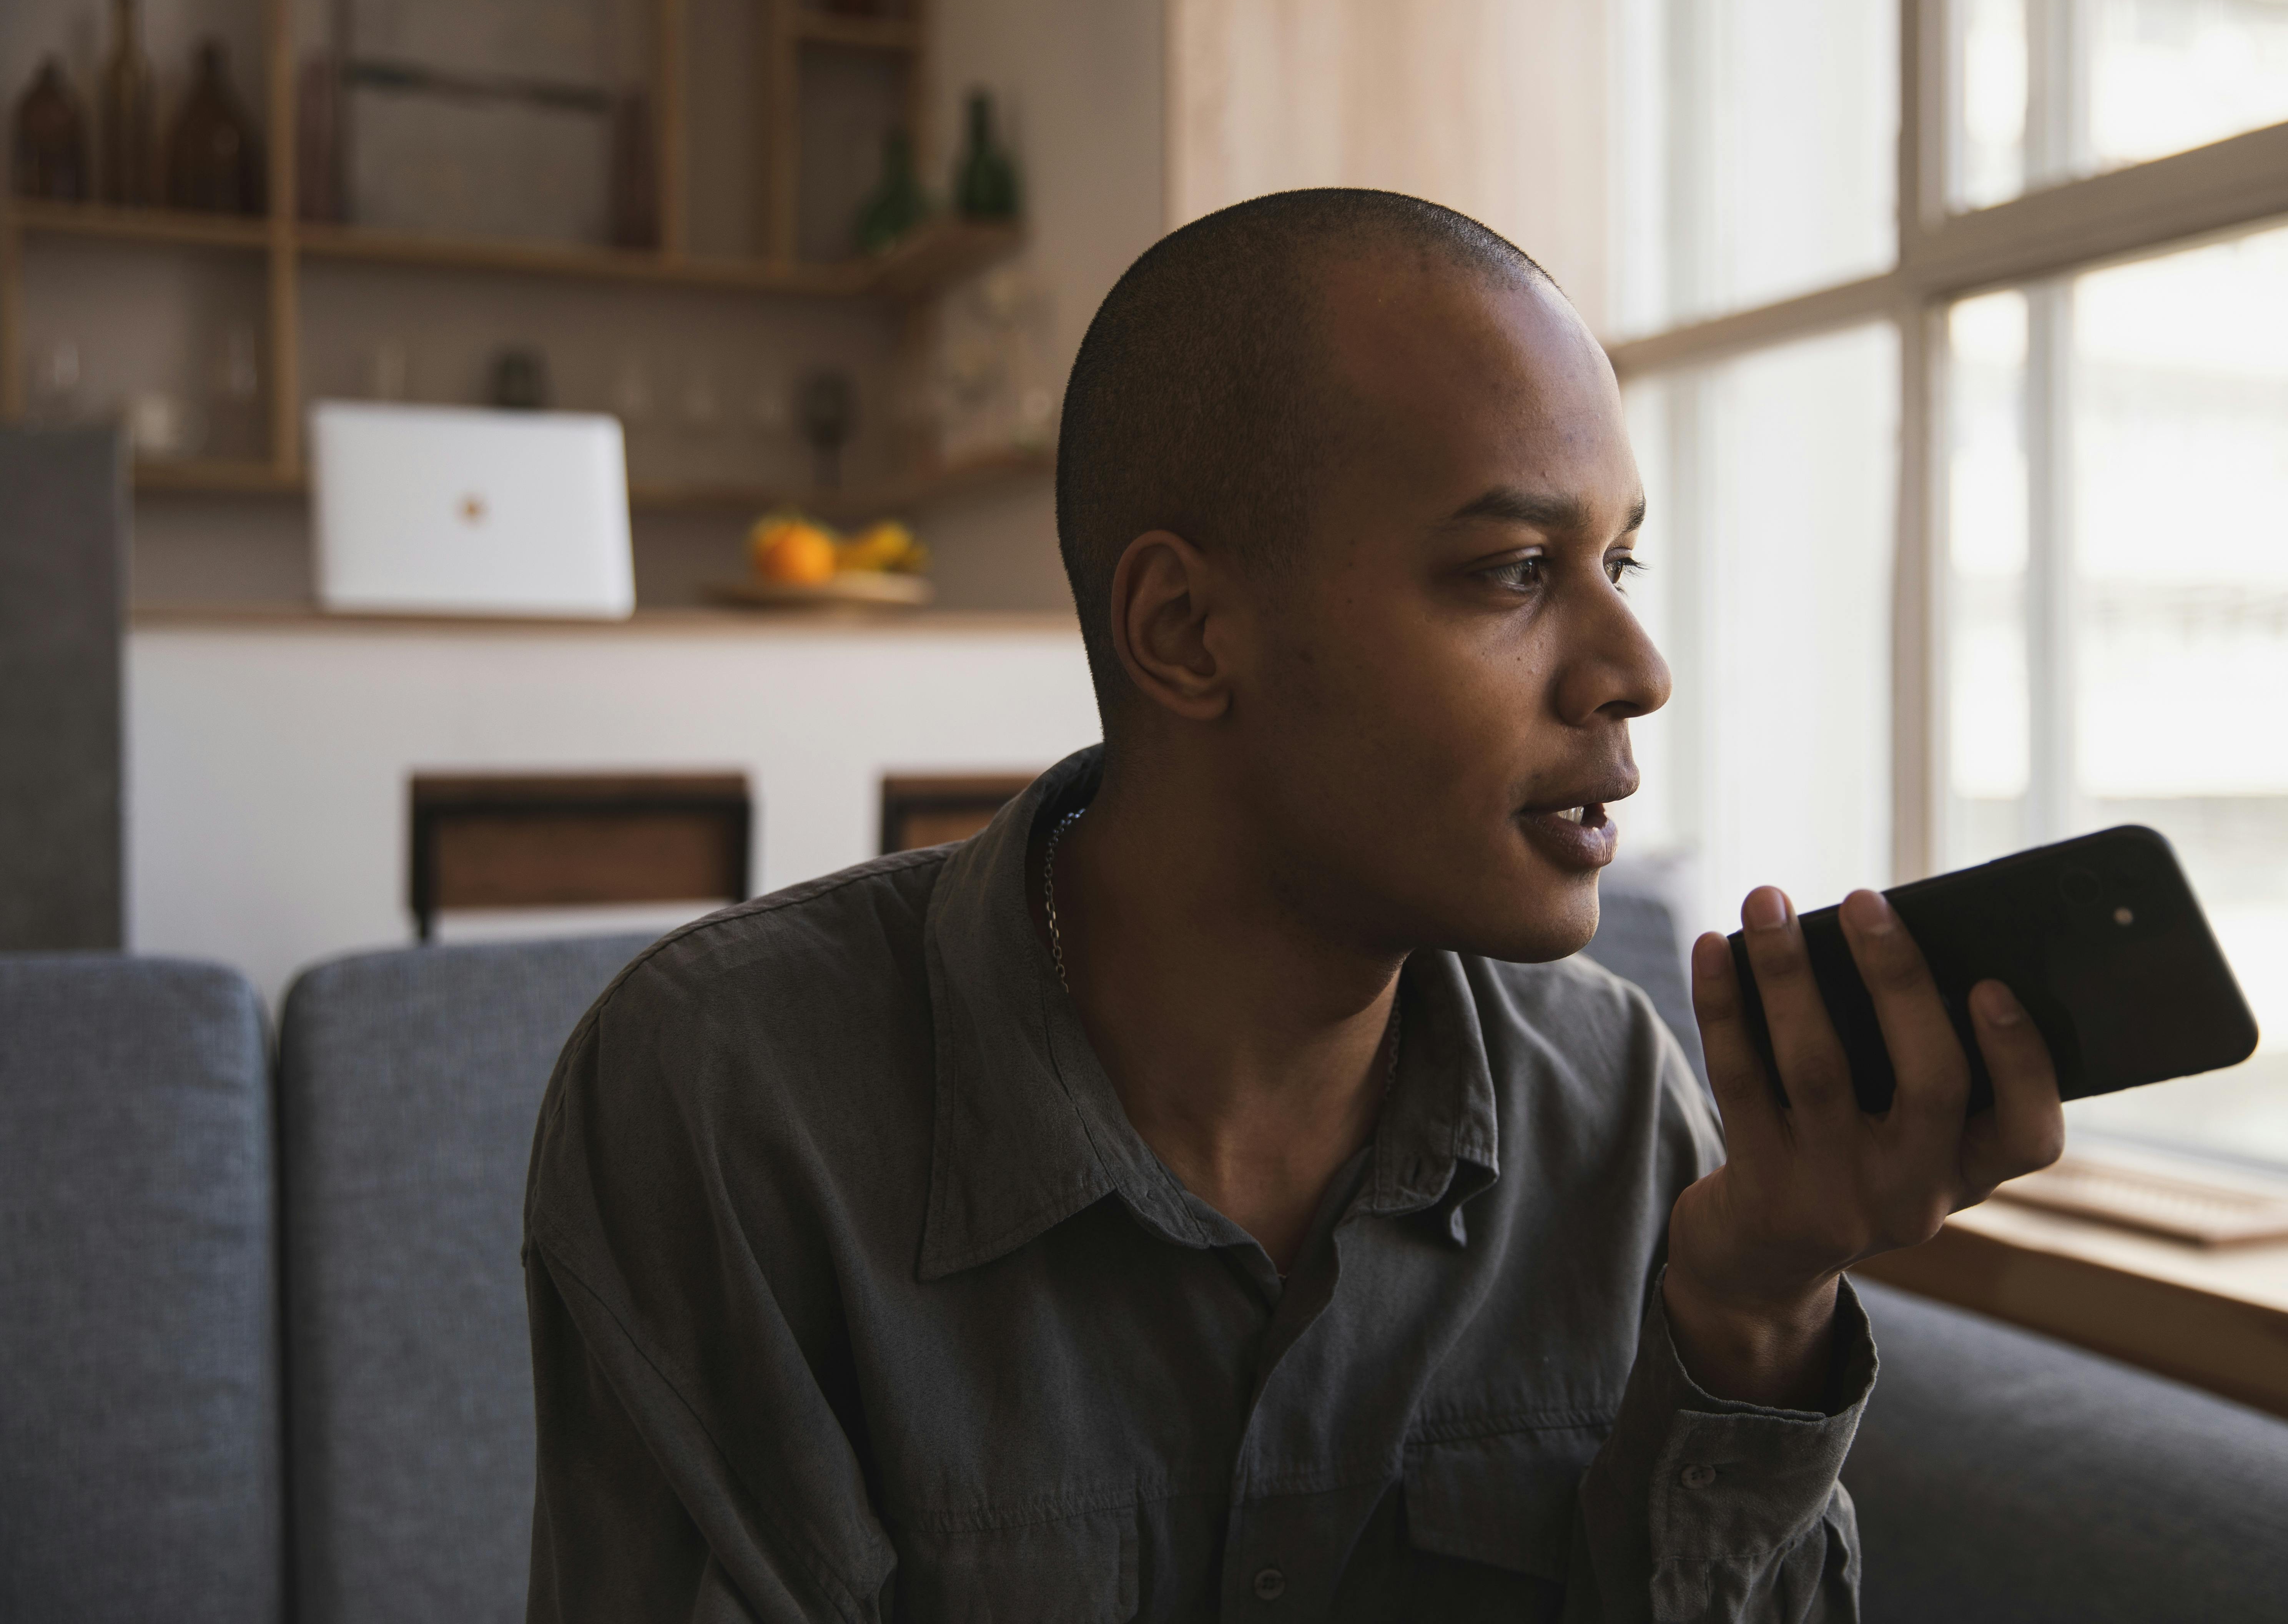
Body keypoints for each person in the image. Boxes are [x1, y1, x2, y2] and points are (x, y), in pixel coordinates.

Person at [521, 189, 2065, 1623]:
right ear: (1187, 631)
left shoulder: (1615, 1108)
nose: (1637, 668)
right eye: (1517, 569)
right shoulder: (727, 1099)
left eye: (1623, 557)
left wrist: (1752, 1313)